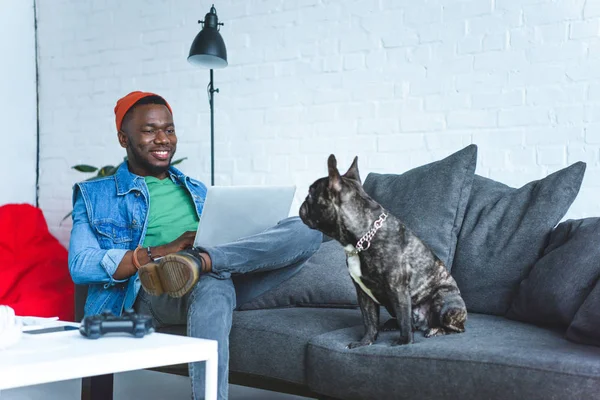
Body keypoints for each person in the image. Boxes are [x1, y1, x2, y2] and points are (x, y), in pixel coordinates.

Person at [68, 91, 322, 400]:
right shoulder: (95, 195)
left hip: (220, 270)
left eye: (169, 129)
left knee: (309, 225)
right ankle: (200, 265)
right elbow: (80, 264)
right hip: (155, 287)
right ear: (124, 138)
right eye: (149, 130)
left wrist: (223, 249)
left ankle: (203, 261)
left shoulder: (197, 189)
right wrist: (164, 251)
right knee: (212, 285)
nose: (163, 139)